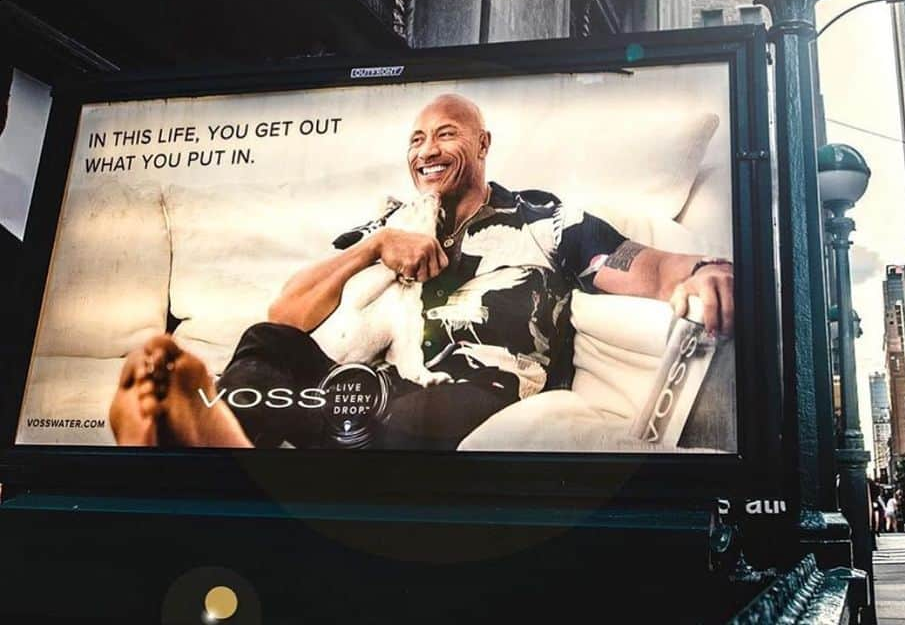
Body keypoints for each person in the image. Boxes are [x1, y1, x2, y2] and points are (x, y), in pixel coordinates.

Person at [109, 94, 735, 451]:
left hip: (482, 393)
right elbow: (286, 315)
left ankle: (216, 451)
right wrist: (375, 245)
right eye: (415, 140)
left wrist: (700, 269)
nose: (426, 152)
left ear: (483, 144)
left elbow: (637, 265)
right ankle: (225, 446)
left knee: (412, 419)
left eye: (445, 135)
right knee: (266, 349)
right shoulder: (394, 221)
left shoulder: (545, 219)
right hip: (369, 389)